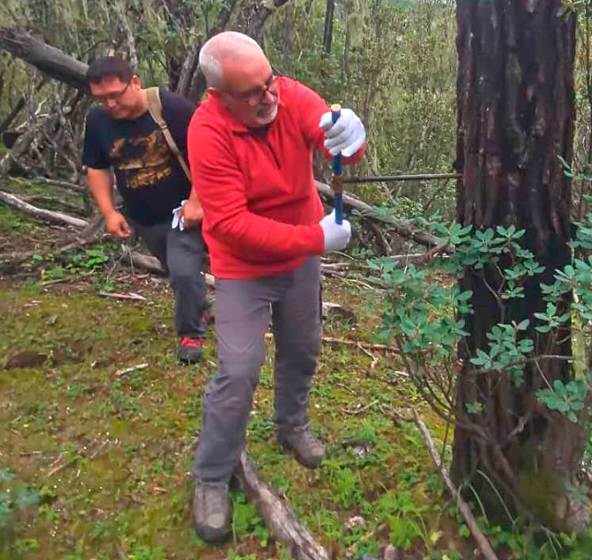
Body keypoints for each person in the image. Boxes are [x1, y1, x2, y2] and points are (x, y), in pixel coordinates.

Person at [184, 31, 366, 543]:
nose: (269, 97)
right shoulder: (206, 132)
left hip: (300, 259)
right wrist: (314, 238)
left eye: (270, 82)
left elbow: (330, 135)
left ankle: (291, 425)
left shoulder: (284, 94)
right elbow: (229, 225)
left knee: (303, 347)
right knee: (239, 370)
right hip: (245, 266)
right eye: (252, 93)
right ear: (219, 96)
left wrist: (350, 136)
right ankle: (212, 475)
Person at [82, 56, 210, 364]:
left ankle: (190, 333)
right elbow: (97, 167)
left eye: (116, 94)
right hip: (143, 215)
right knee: (174, 269)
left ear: (135, 82)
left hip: (182, 211)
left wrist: (197, 201)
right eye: (101, 98)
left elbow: (209, 155)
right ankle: (199, 307)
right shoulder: (97, 121)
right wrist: (109, 212)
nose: (110, 104)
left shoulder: (172, 109)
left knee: (182, 271)